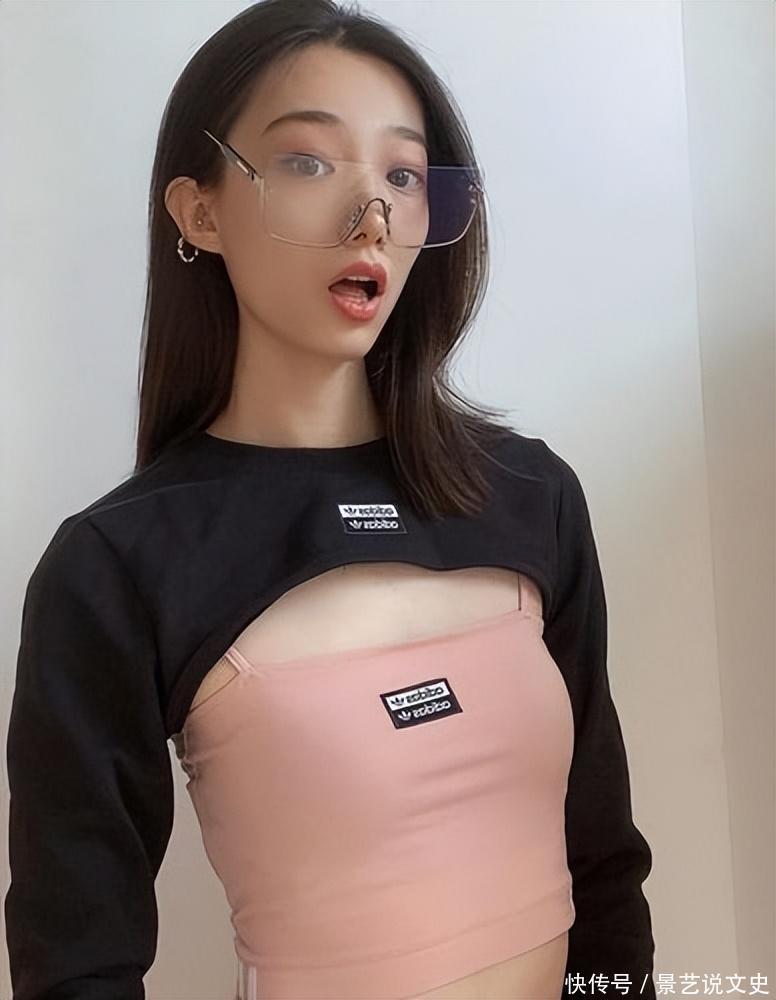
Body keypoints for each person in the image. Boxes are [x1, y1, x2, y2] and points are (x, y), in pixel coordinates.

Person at [4, 2, 656, 998]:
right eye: (309, 162)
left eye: (403, 175)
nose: (371, 216)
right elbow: (77, 962)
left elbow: (603, 861)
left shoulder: (530, 494)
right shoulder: (120, 562)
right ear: (200, 211)